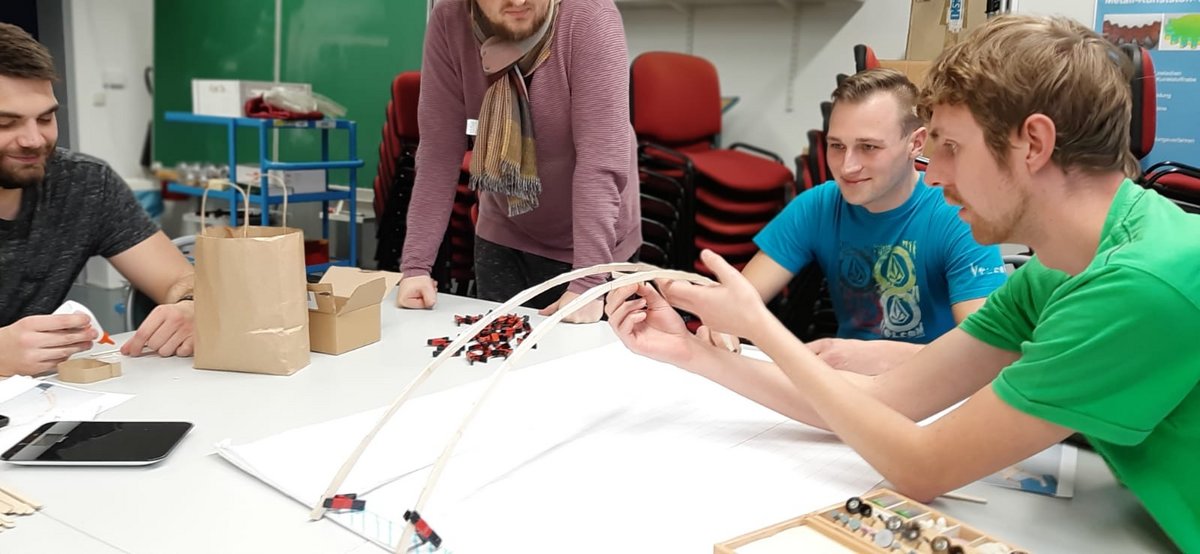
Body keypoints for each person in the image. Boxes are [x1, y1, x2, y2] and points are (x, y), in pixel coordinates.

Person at [607, 15, 1198, 552]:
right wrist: (691, 353)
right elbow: (883, 403)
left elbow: (923, 466)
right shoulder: (1061, 270)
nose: (933, 174)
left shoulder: (1138, 284)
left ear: (1034, 144)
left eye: (950, 148)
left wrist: (760, 325)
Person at [742, 68, 1006, 374]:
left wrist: (885, 358)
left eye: (869, 147)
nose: (847, 167)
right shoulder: (819, 205)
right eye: (837, 146)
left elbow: (987, 350)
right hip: (846, 382)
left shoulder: (956, 214)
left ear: (916, 143)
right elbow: (742, 298)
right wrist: (720, 321)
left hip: (939, 387)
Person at [396, 0, 640, 323]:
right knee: (498, 362)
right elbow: (439, 150)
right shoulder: (449, 19)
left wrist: (589, 282)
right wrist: (415, 266)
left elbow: (599, 160)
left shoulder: (590, 17)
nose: (520, 0)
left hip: (595, 245)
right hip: (505, 229)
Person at [0, 23, 195, 377]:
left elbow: (178, 280)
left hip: (44, 407)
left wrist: (191, 308)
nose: (33, 140)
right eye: (5, 123)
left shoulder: (84, 184)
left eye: (45, 118)